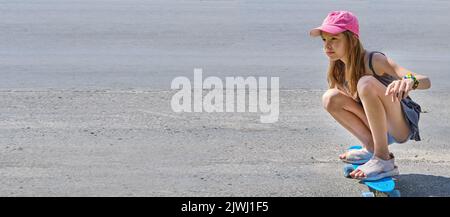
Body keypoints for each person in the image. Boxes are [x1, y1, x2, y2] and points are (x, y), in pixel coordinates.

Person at [310, 11, 431, 181]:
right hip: (377, 126)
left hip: (399, 125)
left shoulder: (373, 60)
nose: (327, 46)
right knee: (330, 98)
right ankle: (371, 147)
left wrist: (410, 82)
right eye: (324, 40)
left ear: (352, 40)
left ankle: (383, 160)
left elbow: (425, 80)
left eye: (334, 39)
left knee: (366, 83)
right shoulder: (338, 68)